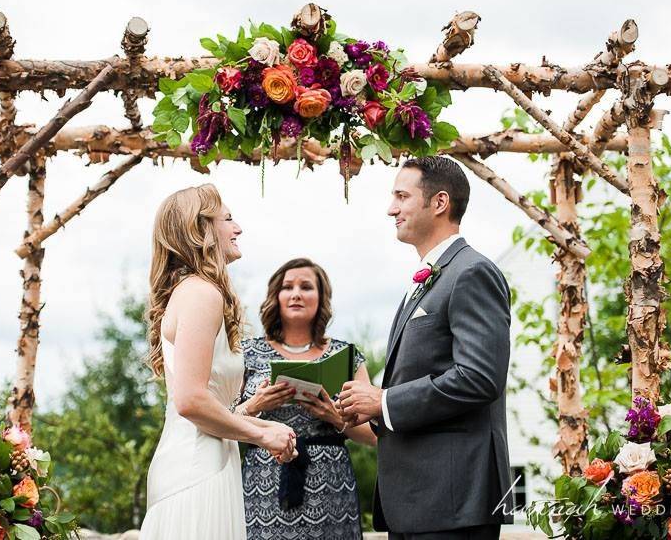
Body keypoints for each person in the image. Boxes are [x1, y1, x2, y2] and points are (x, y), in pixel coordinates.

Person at [338, 156, 514, 540]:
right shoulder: (429, 278)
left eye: (402, 196)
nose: (391, 209)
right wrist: (363, 409)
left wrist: (383, 401)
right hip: (417, 502)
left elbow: (479, 378)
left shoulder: (471, 272)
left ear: (439, 203)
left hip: (452, 500)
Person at [140, 184, 297, 540]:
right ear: (201, 230)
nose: (238, 228)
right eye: (227, 219)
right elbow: (191, 402)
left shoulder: (195, 291)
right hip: (195, 473)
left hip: (211, 462)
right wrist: (263, 434)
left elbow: (203, 405)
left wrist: (248, 411)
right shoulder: (200, 293)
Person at [235, 257, 377, 540]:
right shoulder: (246, 353)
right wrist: (256, 405)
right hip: (264, 479)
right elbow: (223, 419)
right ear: (276, 296)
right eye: (288, 287)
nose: (296, 293)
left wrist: (332, 415)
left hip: (331, 482)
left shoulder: (346, 356)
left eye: (307, 287)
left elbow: (372, 435)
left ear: (321, 297)